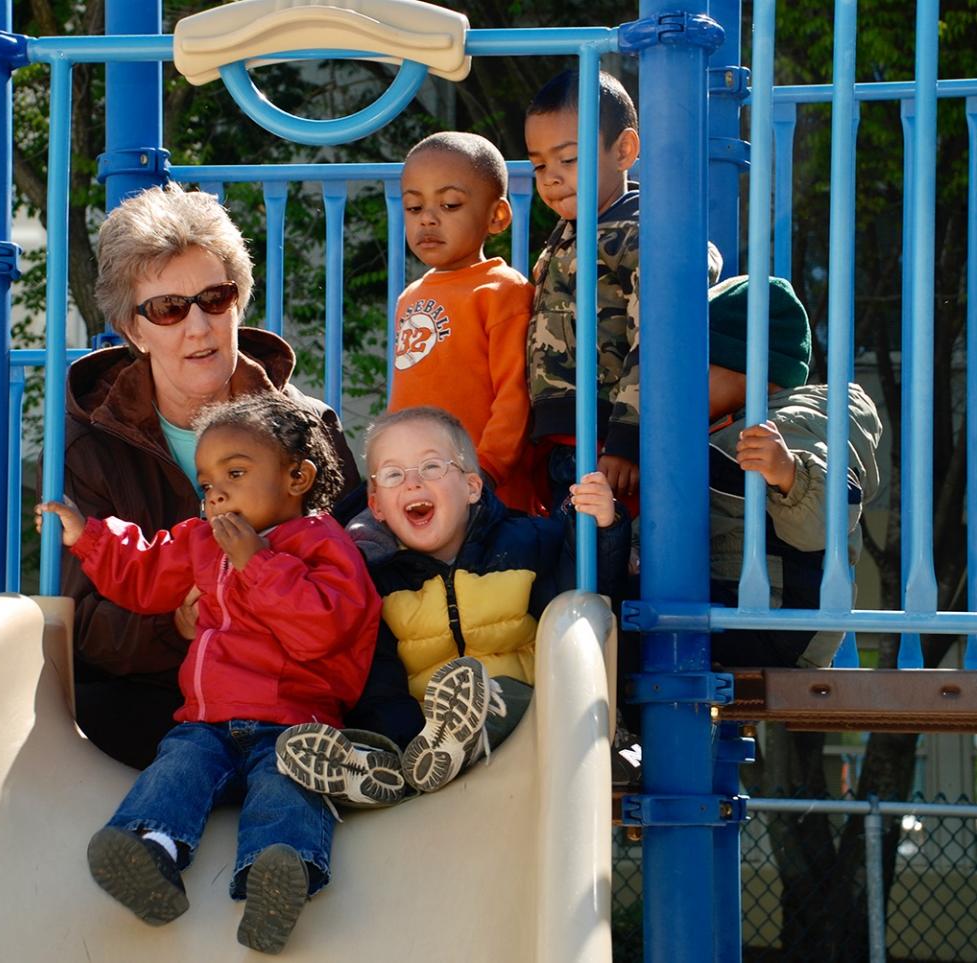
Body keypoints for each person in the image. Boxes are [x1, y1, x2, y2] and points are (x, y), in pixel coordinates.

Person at [37, 392, 381, 955]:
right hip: (208, 720)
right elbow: (145, 570)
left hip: (295, 723)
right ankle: (152, 855)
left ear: (298, 476)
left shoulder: (324, 545)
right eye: (206, 483)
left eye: (236, 473)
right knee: (177, 769)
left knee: (289, 786)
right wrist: (90, 537)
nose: (216, 492)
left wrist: (258, 565)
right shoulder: (203, 540)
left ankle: (280, 876)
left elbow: (325, 628)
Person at [62, 182, 360, 770]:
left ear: (238, 303)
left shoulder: (304, 427)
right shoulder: (93, 447)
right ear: (133, 330)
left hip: (294, 688)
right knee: (96, 719)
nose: (198, 326)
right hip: (164, 692)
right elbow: (84, 625)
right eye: (170, 309)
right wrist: (179, 625)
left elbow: (358, 569)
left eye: (215, 298)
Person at [274, 406, 630, 807]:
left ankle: (428, 756)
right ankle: (380, 765)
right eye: (394, 475)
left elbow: (580, 590)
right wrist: (406, 734)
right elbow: (381, 680)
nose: (412, 483)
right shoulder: (377, 581)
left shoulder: (527, 542)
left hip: (527, 718)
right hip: (425, 731)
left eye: (430, 467)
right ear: (377, 507)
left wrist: (604, 527)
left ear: (473, 487)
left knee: (498, 693)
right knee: (381, 716)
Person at [523, 68, 724, 509]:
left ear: (624, 150)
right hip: (564, 437)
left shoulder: (639, 231)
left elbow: (657, 332)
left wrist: (629, 436)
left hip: (608, 439)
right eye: (539, 164)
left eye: (569, 159)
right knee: (570, 561)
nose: (551, 177)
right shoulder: (570, 231)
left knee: (612, 556)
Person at [704, 275, 884, 669]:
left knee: (630, 630)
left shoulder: (792, 424)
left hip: (781, 620)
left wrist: (789, 474)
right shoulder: (726, 426)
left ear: (755, 374)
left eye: (703, 370)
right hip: (740, 605)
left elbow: (830, 519)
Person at [389, 131, 538, 513]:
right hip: (418, 486)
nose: (428, 220)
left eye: (450, 204)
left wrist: (486, 470)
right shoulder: (410, 296)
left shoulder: (502, 290)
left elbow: (515, 395)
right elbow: (403, 399)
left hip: (485, 491)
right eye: (414, 207)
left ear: (497, 216)